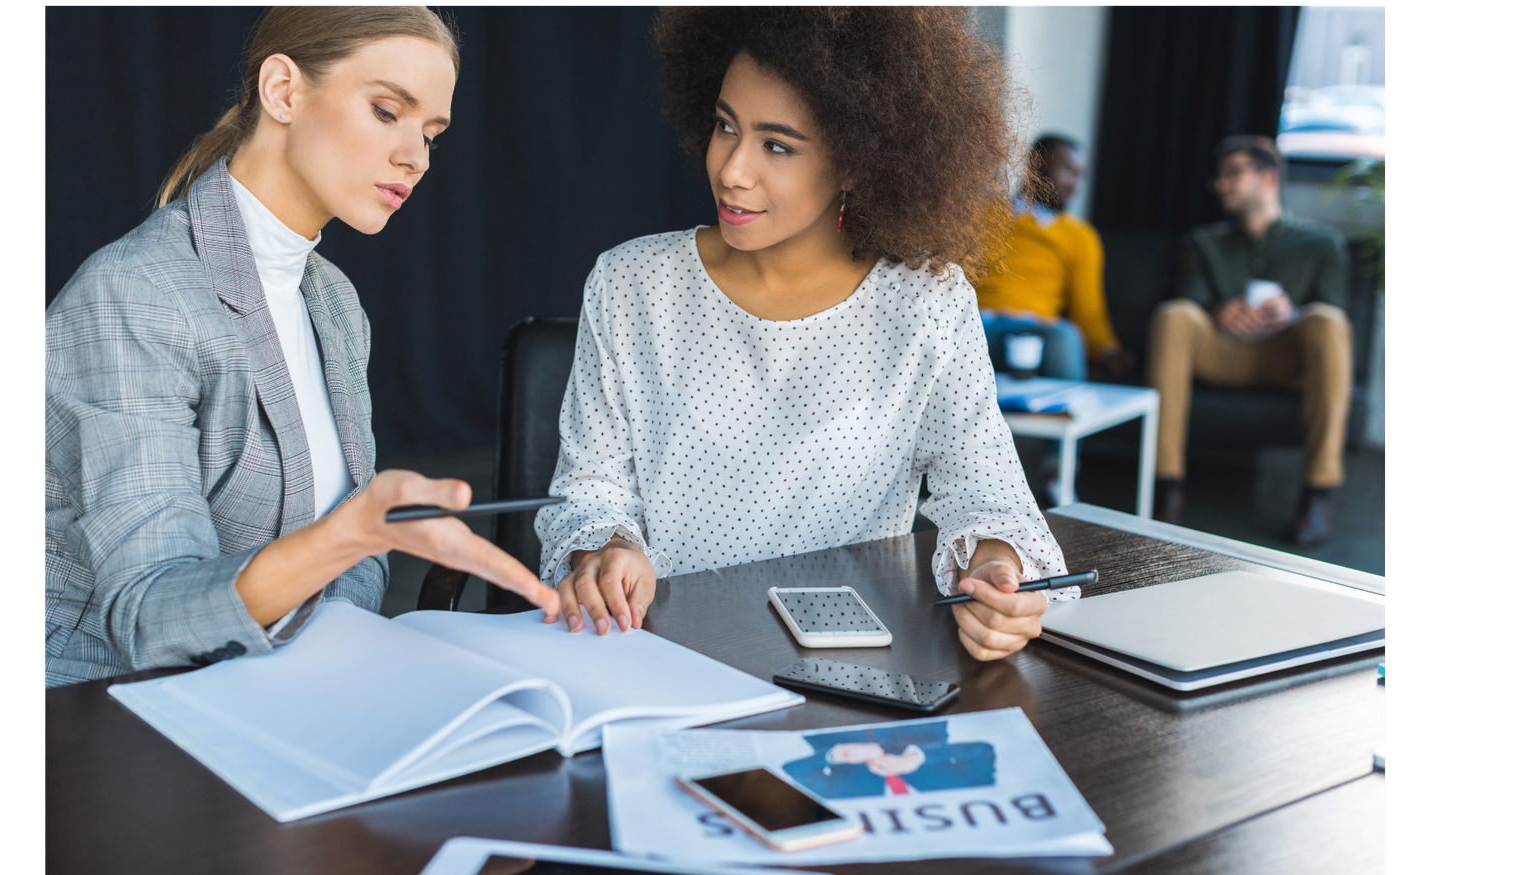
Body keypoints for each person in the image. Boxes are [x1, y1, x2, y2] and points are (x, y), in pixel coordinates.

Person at [534, 6, 1077, 662]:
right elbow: (589, 489)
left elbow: (988, 494)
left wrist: (998, 568)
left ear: (856, 161)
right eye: (725, 126)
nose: (732, 168)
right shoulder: (632, 285)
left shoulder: (926, 305)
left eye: (777, 145)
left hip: (848, 672)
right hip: (663, 659)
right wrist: (606, 548)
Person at [44, 6, 560, 687]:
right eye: (386, 111)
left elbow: (353, 570)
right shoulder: (133, 295)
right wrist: (359, 530)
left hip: (279, 693)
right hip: (113, 716)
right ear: (283, 91)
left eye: (432, 133)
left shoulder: (335, 303)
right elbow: (150, 617)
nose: (416, 156)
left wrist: (336, 670)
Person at [1147, 135, 1350, 543]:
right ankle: (1165, 488)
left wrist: (1291, 313)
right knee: (1173, 314)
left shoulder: (1321, 243)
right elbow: (1192, 298)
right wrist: (1220, 310)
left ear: (1269, 177)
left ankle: (1316, 495)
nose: (1221, 184)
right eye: (1219, 176)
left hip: (1287, 357)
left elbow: (1332, 307)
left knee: (1327, 321)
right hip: (1222, 351)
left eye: (1233, 174)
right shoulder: (1204, 243)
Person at [968, 135, 1131, 381]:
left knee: (1065, 336)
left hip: (1039, 333)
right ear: (1035, 164)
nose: (1075, 184)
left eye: (1080, 175)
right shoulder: (982, 213)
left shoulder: (1081, 237)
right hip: (977, 324)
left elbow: (1089, 314)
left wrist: (1109, 351)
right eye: (1068, 170)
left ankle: (1066, 415)